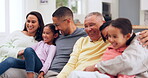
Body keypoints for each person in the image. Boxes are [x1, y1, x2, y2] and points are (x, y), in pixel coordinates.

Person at [57, 12, 148, 78]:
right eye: (86, 26)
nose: (88, 29)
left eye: (92, 25)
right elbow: (70, 64)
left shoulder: (113, 40)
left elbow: (130, 37)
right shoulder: (81, 41)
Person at [0, 11, 44, 78]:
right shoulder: (16, 33)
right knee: (10, 60)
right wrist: (18, 52)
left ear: (39, 24)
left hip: (30, 64)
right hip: (14, 61)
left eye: (33, 22)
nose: (30, 24)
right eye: (28, 21)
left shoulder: (41, 40)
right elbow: (2, 48)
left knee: (12, 59)